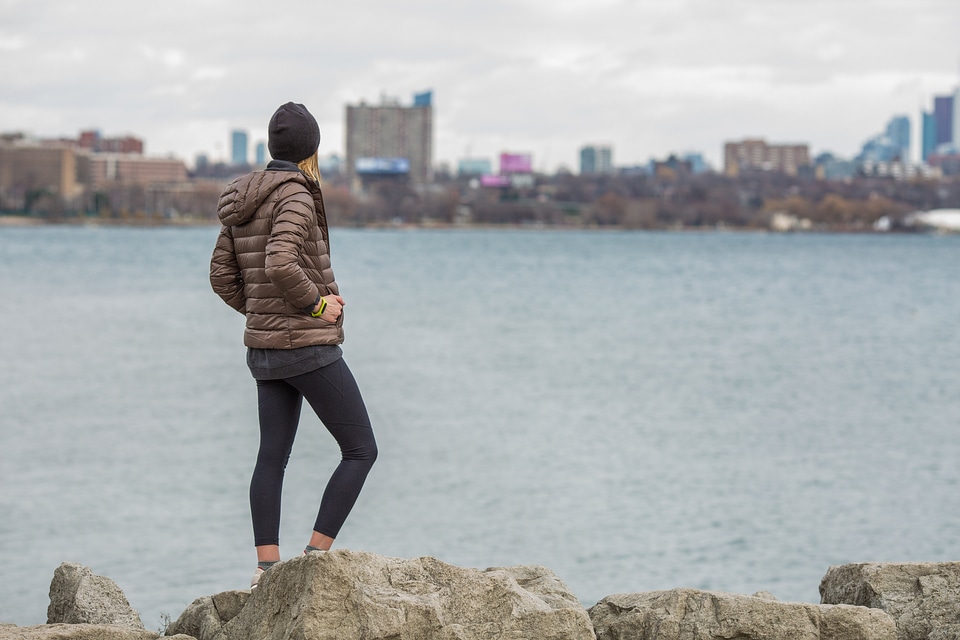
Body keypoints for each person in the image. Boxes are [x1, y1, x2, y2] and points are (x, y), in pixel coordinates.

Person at [210, 102, 378, 588]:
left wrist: (262, 314)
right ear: (312, 150)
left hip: (265, 351)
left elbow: (222, 276)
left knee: (271, 456)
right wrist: (318, 306)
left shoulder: (243, 196)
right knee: (360, 449)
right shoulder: (296, 195)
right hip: (307, 346)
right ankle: (313, 562)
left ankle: (267, 571)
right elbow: (283, 262)